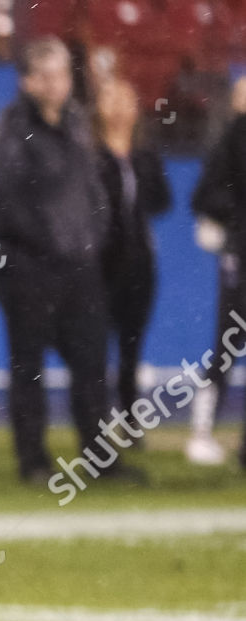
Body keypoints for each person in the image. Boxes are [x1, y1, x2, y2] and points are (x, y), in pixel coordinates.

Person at [0, 36, 136, 485]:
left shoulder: (77, 125)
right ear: (27, 80)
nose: (56, 84)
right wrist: (51, 248)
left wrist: (89, 241)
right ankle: (33, 461)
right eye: (45, 74)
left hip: (77, 266)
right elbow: (8, 202)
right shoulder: (7, 129)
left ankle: (100, 459)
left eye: (63, 73)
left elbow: (94, 193)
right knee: (28, 367)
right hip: (28, 264)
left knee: (91, 365)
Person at [93, 76, 170, 412]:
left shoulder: (144, 155)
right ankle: (93, 417)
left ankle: (127, 415)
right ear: (98, 107)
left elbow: (162, 201)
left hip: (139, 263)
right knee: (95, 344)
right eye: (111, 98)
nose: (120, 107)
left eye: (126, 99)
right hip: (100, 263)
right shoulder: (90, 155)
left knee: (131, 344)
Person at [187, 77, 246, 468]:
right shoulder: (232, 138)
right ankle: (202, 432)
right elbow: (206, 195)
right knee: (228, 342)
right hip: (241, 253)